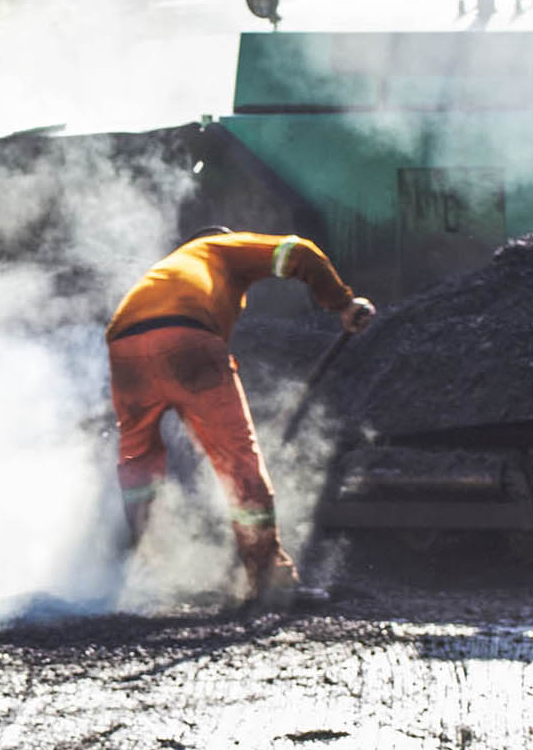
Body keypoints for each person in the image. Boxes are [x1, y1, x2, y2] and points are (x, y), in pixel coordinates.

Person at [107, 229, 373, 606]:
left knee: (138, 465)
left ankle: (135, 572)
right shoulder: (219, 249)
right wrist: (343, 304)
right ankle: (269, 579)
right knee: (240, 465)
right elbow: (300, 251)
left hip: (124, 346)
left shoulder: (169, 274)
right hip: (188, 340)